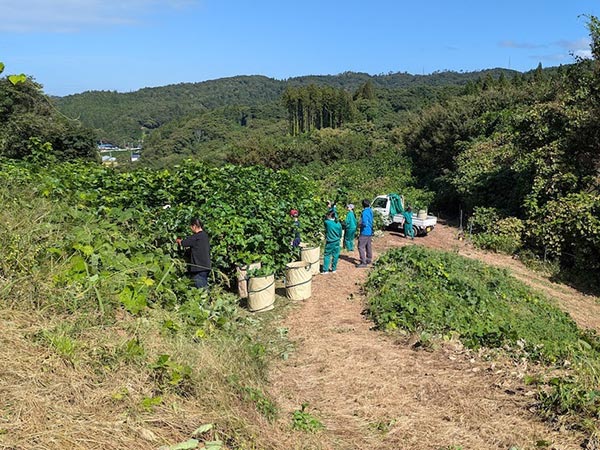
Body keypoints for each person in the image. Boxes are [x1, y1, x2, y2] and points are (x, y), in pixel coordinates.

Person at [176, 218, 211, 288]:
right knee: (203, 287)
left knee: (201, 289)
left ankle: (207, 298)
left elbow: (184, 243)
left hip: (199, 268)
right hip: (206, 266)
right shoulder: (205, 235)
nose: (191, 229)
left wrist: (178, 241)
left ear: (194, 226)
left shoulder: (196, 237)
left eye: (191, 227)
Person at [357, 198, 373, 267]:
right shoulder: (370, 211)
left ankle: (363, 262)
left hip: (364, 231)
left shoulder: (364, 212)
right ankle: (368, 259)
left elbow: (364, 223)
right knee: (368, 246)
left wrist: (359, 225)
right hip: (369, 231)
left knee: (360, 247)